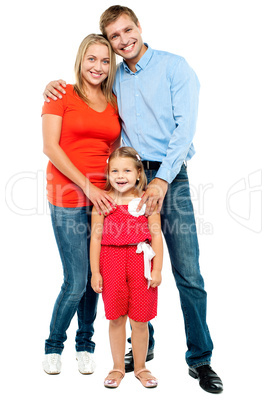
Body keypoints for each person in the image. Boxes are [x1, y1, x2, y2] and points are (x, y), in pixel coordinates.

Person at [43, 5, 223, 394]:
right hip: (128, 180)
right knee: (126, 261)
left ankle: (201, 359)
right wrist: (51, 87)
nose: (124, 41)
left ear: (139, 27)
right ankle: (143, 348)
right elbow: (83, 105)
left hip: (168, 176)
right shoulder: (114, 79)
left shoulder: (176, 68)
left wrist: (160, 181)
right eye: (114, 37)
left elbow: (185, 128)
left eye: (128, 31)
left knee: (187, 270)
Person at [41, 33, 121, 375]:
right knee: (75, 279)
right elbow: (51, 147)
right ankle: (53, 346)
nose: (98, 67)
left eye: (105, 61)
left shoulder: (114, 101)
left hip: (104, 201)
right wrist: (89, 187)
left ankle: (85, 345)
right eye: (92, 59)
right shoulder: (60, 94)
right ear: (81, 59)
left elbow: (116, 151)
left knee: (95, 278)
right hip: (68, 197)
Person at [90, 146, 163, 388]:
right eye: (114, 171)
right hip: (111, 262)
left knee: (140, 320)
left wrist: (157, 269)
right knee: (117, 317)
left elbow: (156, 235)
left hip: (140, 261)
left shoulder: (146, 201)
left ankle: (141, 367)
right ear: (108, 174)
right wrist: (96, 272)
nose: (120, 176)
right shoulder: (103, 201)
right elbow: (96, 238)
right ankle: (117, 367)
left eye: (127, 170)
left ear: (139, 173)